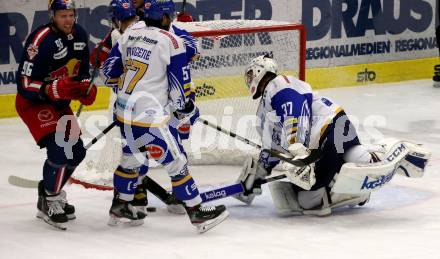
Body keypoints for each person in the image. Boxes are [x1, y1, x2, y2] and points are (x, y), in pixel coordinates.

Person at [234, 55, 431, 216]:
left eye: (251, 74)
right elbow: (271, 150)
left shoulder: (278, 84)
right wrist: (255, 177)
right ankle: (357, 188)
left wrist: (297, 146)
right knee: (310, 200)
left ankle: (384, 155)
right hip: (324, 140)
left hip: (330, 128)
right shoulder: (262, 114)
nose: (249, 79)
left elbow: (296, 107)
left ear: (262, 69)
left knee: (351, 167)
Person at [101, 0, 228, 233]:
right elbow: (178, 86)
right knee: (176, 161)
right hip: (149, 117)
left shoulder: (128, 34)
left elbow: (107, 73)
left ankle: (120, 206)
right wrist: (185, 109)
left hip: (124, 113)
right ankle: (197, 211)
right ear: (167, 18)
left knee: (132, 160)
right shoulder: (171, 41)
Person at [15, 0, 97, 229]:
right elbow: (24, 84)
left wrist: (85, 89)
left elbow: (81, 73)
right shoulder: (40, 40)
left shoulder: (79, 34)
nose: (68, 20)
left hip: (58, 102)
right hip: (33, 102)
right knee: (60, 148)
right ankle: (50, 200)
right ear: (53, 16)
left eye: (71, 15)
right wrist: (49, 89)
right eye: (63, 15)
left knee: (77, 152)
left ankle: (50, 191)